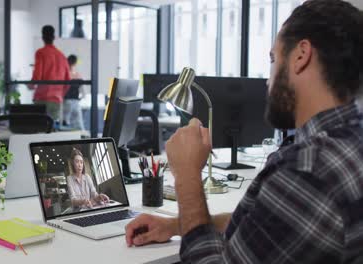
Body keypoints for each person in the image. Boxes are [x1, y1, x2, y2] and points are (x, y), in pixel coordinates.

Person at [125, 0, 363, 263]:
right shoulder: (349, 144)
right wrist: (177, 225)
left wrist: (188, 175)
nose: (267, 79)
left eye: (273, 59)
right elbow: (269, 228)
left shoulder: (308, 170)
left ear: (300, 55)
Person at [29, 25, 70, 123]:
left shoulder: (41, 53)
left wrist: (30, 85)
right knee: (52, 130)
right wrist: (60, 94)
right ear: (54, 37)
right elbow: (68, 81)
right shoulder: (61, 55)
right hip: (56, 99)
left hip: (41, 98)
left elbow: (37, 76)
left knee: (39, 129)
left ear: (42, 37)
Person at [63, 55, 85, 130]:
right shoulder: (78, 75)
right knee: (78, 124)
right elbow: (83, 93)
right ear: (75, 63)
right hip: (75, 102)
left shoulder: (64, 74)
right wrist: (79, 99)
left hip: (66, 101)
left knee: (65, 123)